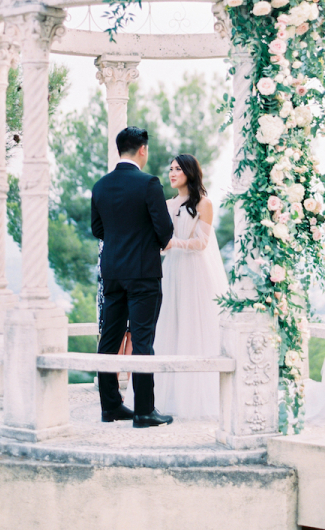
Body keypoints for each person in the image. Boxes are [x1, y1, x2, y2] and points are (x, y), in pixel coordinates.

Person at [91, 126, 174, 428]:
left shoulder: (100, 186)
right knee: (142, 340)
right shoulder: (149, 183)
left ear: (118, 150)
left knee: (109, 339)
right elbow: (164, 231)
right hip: (143, 274)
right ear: (142, 149)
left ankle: (110, 407)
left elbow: (97, 229)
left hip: (111, 272)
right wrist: (146, 242)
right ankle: (143, 411)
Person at [154, 154, 228, 419]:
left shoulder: (203, 204)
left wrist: (174, 243)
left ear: (189, 172)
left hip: (195, 271)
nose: (172, 173)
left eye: (177, 169)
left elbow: (202, 243)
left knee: (195, 327)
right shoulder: (165, 203)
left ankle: (199, 397)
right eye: (170, 168)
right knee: (171, 326)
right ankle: (170, 396)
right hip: (172, 269)